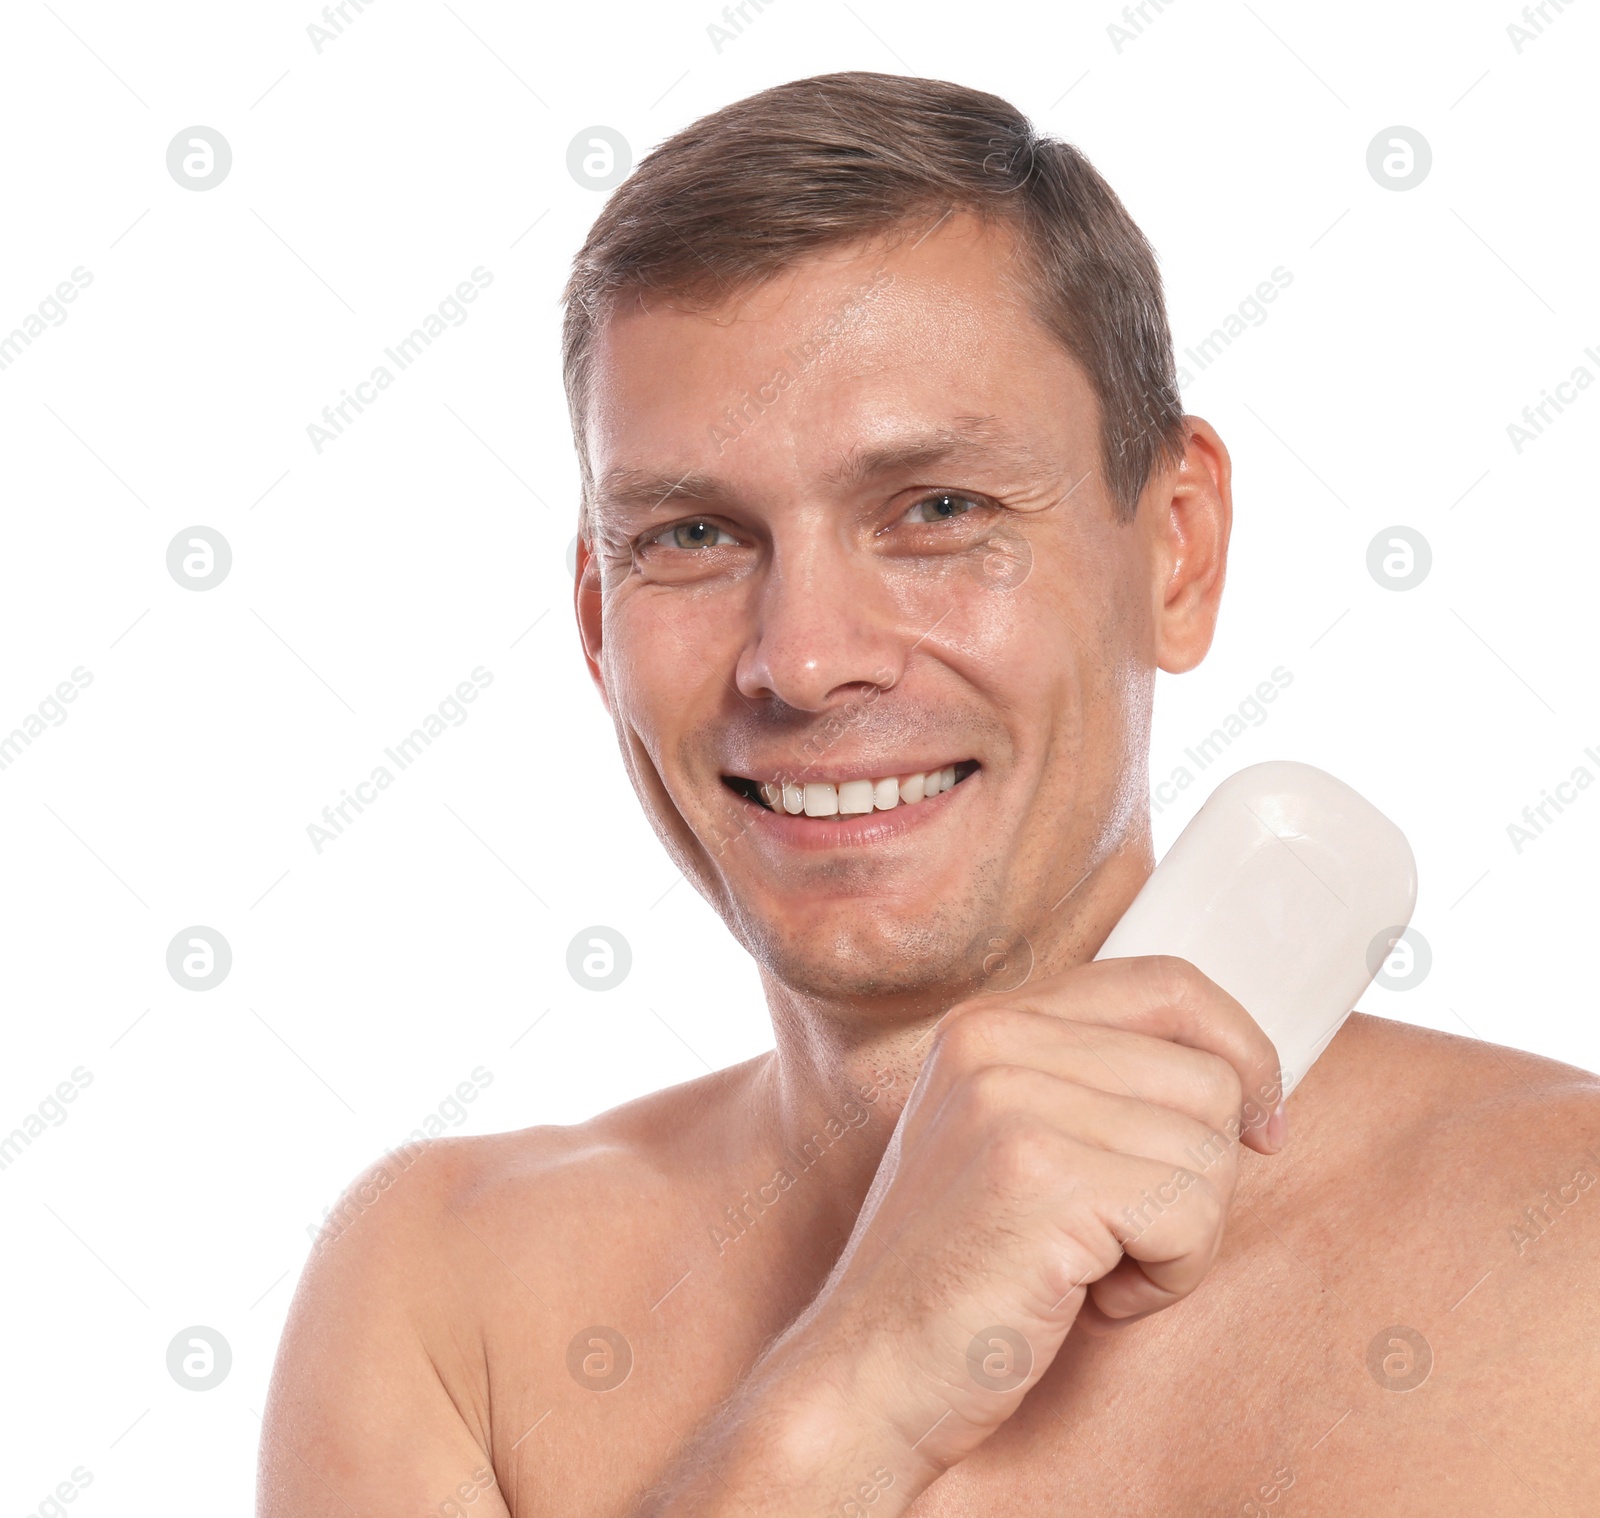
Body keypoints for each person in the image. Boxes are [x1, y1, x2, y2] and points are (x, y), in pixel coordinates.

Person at [258, 72, 1600, 1516]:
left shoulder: (1562, 1248)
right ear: (598, 621)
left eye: (939, 510)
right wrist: (855, 1386)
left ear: (1179, 552)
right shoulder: (444, 1304)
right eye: (695, 534)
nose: (806, 657)